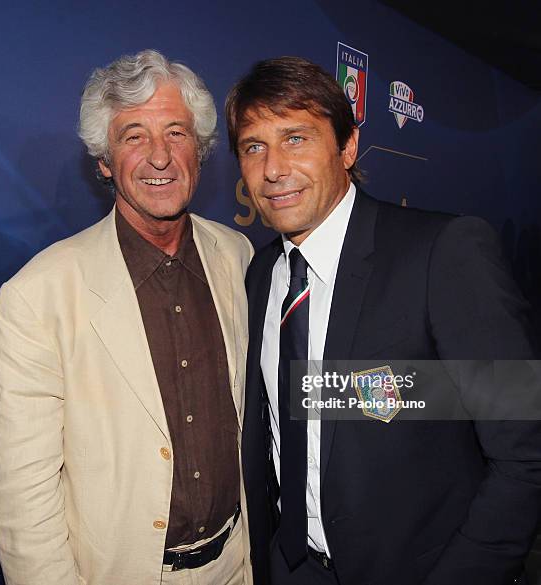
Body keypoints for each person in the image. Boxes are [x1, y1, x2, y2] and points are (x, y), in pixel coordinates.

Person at [226, 56, 541, 585]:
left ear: (347, 147)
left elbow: (527, 452)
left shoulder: (443, 253)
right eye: (254, 146)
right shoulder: (262, 275)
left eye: (296, 138)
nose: (273, 168)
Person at [0, 50, 253, 585]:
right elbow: (25, 497)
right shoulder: (37, 295)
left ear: (200, 152)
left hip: (239, 563)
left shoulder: (238, 255)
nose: (160, 156)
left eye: (177, 133)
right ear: (104, 161)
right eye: (134, 136)